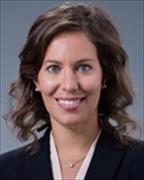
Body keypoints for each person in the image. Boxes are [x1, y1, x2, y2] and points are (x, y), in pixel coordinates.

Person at [1, 3, 144, 180]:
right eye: (53, 68)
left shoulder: (139, 163)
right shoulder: (5, 170)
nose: (69, 85)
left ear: (105, 76)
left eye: (84, 67)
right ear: (36, 79)